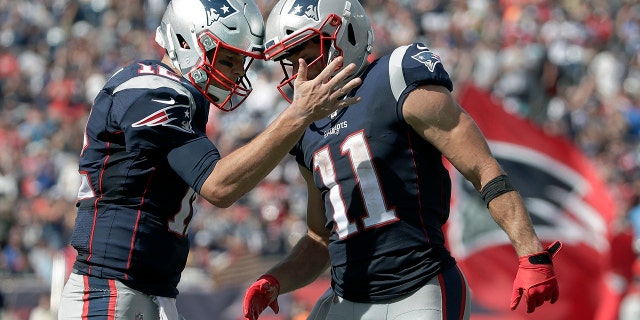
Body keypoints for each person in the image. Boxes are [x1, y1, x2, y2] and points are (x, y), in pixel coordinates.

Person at [242, 0, 561, 319]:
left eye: (307, 55)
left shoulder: (395, 77)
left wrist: (530, 251)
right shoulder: (305, 128)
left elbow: (482, 168)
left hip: (418, 289)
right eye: (289, 61)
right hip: (345, 298)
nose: (299, 74)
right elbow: (320, 238)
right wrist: (276, 280)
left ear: (346, 35)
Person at [56, 0, 363, 318]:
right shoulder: (150, 91)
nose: (235, 72)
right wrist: (298, 115)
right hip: (109, 289)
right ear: (186, 41)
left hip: (148, 290)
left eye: (239, 61)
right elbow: (219, 186)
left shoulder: (180, 96)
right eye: (228, 58)